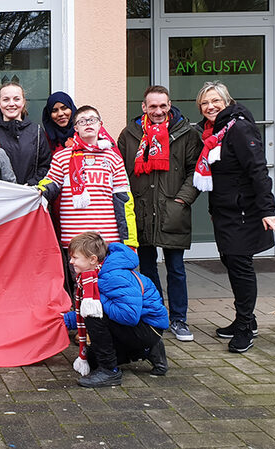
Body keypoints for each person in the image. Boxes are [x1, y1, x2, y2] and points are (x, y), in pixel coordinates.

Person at [194, 81, 275, 353]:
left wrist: (268, 210)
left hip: (244, 212)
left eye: (216, 101)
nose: (210, 107)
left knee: (240, 266)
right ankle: (246, 319)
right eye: (205, 103)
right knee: (230, 261)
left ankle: (245, 328)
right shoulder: (213, 131)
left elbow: (258, 170)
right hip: (224, 211)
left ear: (227, 101)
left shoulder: (238, 128)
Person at [117, 85, 202, 343]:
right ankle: (157, 314)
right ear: (144, 107)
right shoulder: (130, 134)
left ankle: (179, 318)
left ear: (169, 105)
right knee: (148, 267)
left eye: (162, 106)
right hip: (141, 210)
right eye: (152, 106)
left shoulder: (186, 133)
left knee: (176, 268)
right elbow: (120, 171)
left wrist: (181, 200)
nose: (158, 111)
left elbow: (195, 171)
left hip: (172, 210)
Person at [66, 232, 169, 388]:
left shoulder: (112, 276)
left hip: (148, 328)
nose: (71, 262)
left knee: (94, 316)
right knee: (93, 359)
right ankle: (148, 350)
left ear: (92, 259)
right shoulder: (96, 274)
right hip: (141, 327)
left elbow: (129, 316)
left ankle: (110, 372)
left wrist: (97, 299)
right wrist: (65, 320)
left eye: (75, 257)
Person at [37, 106, 137, 250]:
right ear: (75, 127)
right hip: (74, 241)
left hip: (108, 241)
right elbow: (49, 184)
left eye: (92, 120)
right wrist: (38, 190)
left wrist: (130, 242)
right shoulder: (62, 157)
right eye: (82, 121)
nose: (88, 123)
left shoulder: (114, 158)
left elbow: (125, 201)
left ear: (100, 125)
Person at [0, 82, 51, 185]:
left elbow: (45, 166)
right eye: (6, 99)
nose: (11, 104)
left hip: (28, 195)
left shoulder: (37, 132)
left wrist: (31, 185)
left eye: (16, 99)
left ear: (24, 102)